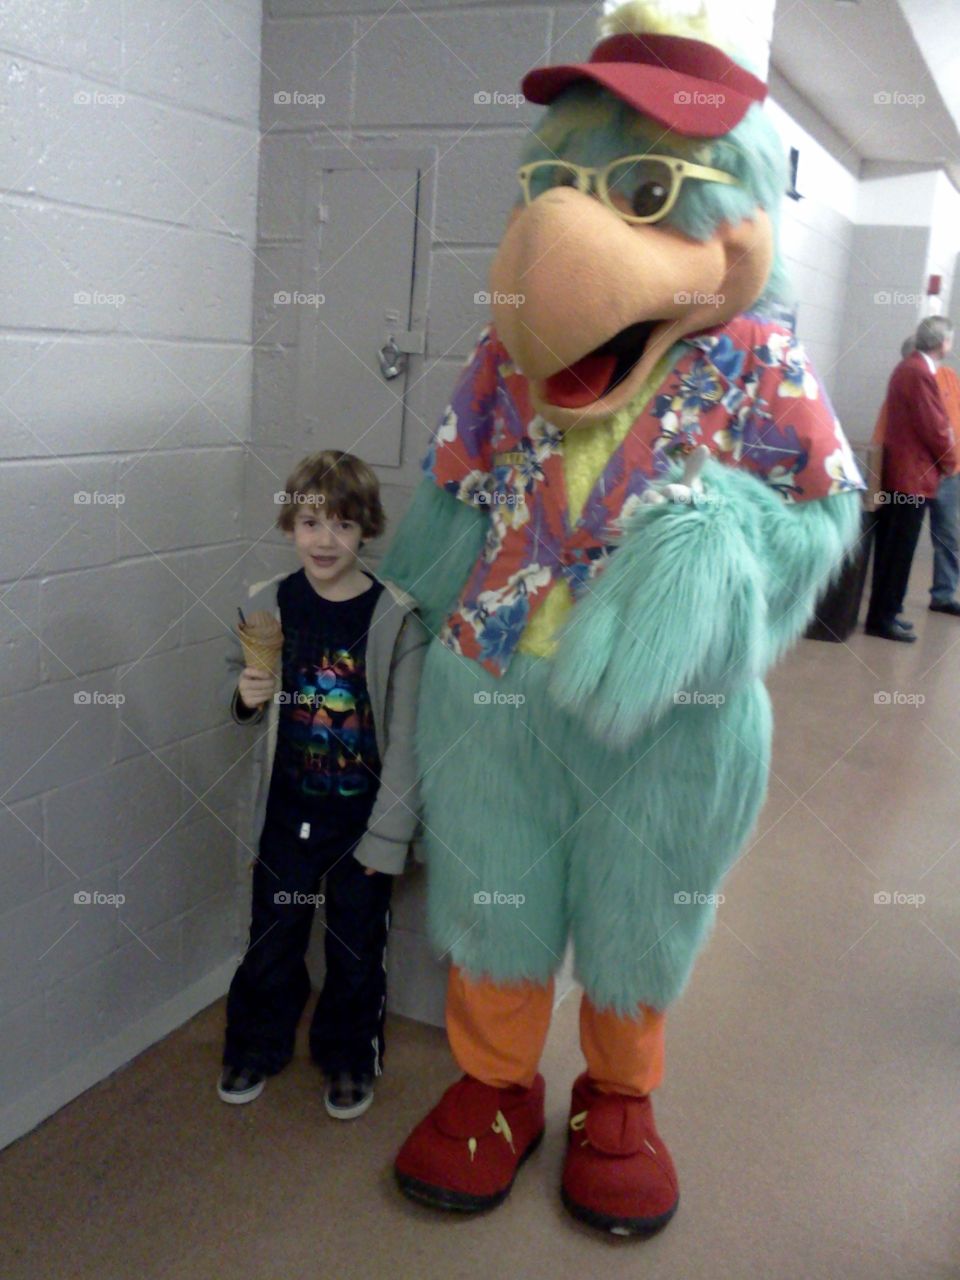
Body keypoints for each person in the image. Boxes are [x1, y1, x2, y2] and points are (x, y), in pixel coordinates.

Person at [218, 450, 428, 1118]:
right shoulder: (266, 604)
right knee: (272, 936)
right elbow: (244, 699)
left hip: (359, 824)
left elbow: (407, 742)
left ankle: (347, 1056)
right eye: (311, 524)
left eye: (342, 524)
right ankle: (257, 1044)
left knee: (356, 948)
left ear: (365, 529)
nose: (326, 540)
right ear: (290, 528)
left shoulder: (397, 619)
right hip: (285, 816)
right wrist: (246, 696)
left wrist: (386, 839)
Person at [865, 316, 956, 641]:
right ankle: (883, 617)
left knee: (897, 550)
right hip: (911, 478)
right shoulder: (918, 373)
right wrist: (951, 462)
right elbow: (935, 427)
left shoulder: (912, 370)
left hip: (909, 476)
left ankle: (889, 611)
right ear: (942, 342)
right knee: (897, 551)